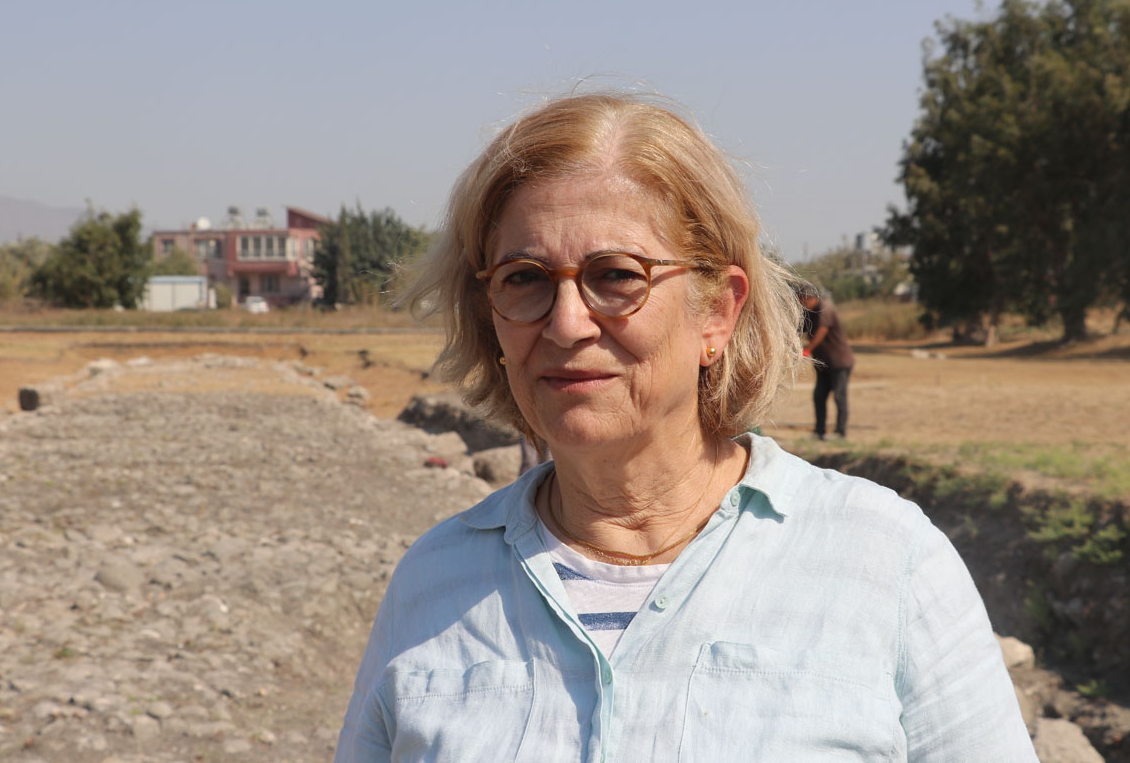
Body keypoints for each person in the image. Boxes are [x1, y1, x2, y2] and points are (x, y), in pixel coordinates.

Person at [334, 93, 1036, 761]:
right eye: (524, 278)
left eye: (617, 275)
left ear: (718, 313)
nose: (567, 323)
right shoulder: (432, 582)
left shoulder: (888, 563)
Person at [798, 284, 855, 440]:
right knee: (819, 396)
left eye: (802, 300)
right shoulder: (809, 312)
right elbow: (800, 328)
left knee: (839, 396)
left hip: (839, 362)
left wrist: (807, 350)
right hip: (823, 363)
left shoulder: (825, 308)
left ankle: (840, 432)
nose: (801, 303)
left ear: (811, 298)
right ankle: (819, 431)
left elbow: (822, 330)